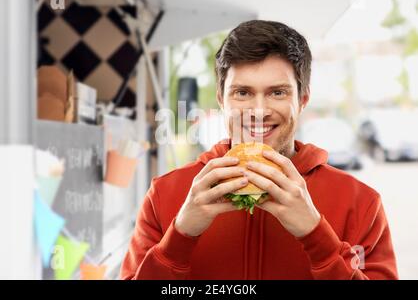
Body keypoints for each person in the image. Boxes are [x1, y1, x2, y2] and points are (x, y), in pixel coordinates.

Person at [120, 20, 398, 279]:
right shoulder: (164, 195)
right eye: (242, 93)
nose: (259, 111)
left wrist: (316, 235)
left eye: (278, 92)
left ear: (302, 99)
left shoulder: (361, 203)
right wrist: (179, 237)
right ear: (221, 99)